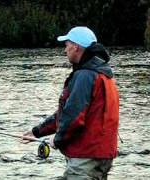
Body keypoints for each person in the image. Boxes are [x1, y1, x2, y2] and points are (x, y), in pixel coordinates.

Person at [23, 26, 119, 180]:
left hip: (85, 158)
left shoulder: (85, 76)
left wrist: (57, 139)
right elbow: (68, 113)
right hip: (101, 156)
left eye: (67, 45)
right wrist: (37, 132)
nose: (65, 50)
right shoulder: (103, 74)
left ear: (76, 47)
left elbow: (74, 117)